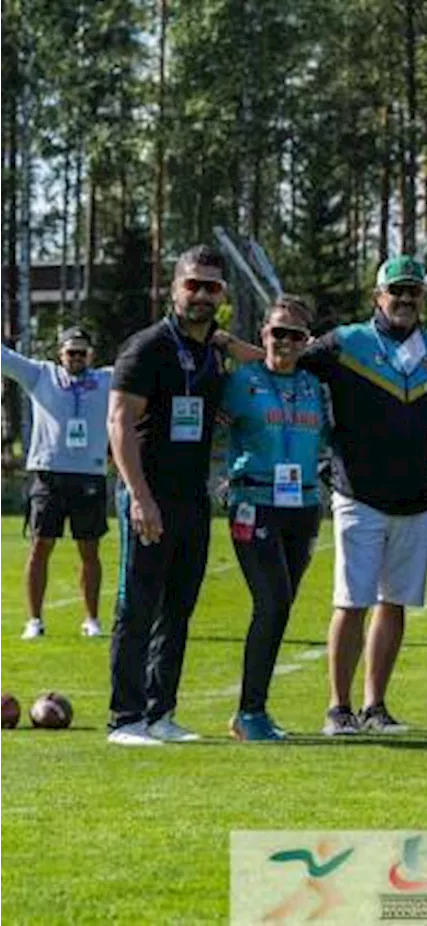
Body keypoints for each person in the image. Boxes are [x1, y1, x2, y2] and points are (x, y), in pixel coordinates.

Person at [294, 255, 427, 735]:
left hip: (419, 499)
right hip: (358, 495)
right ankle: (338, 708)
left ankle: (375, 706)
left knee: (395, 603)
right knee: (352, 601)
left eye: (413, 292)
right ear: (377, 296)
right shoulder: (346, 342)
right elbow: (282, 362)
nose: (405, 300)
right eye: (396, 291)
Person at [106, 245, 231, 746]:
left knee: (178, 609)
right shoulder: (147, 346)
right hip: (148, 496)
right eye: (192, 284)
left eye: (212, 287)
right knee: (137, 606)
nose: (201, 295)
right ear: (173, 287)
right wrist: (140, 496)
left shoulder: (210, 353)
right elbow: (119, 424)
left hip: (191, 498)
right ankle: (126, 718)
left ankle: (161, 712)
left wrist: (224, 338)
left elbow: (262, 355)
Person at [220, 297, 327, 741]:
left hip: (303, 507)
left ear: (307, 341)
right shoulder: (241, 381)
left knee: (280, 608)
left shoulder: (315, 385)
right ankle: (250, 712)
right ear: (263, 333)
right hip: (253, 502)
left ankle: (252, 711)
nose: (284, 342)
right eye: (276, 332)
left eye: (294, 335)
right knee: (272, 602)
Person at [0, 326, 112, 640]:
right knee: (40, 546)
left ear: (91, 354)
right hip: (47, 472)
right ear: (59, 354)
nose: (76, 358)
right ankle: (34, 620)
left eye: (82, 352)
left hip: (89, 474)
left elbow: (145, 367)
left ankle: (91, 619)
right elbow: (5, 358)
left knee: (89, 550)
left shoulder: (106, 379)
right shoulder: (42, 375)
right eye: (70, 352)